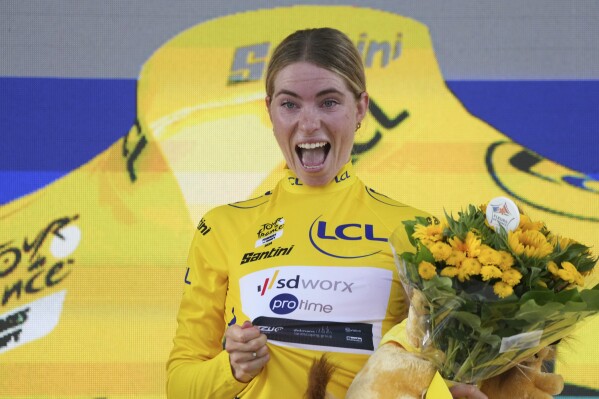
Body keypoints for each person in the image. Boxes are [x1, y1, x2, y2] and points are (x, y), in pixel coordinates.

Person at [166, 27, 488, 399]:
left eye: (328, 102)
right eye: (289, 104)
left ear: (361, 109)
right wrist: (232, 369)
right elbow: (180, 385)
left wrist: (452, 388)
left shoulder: (418, 232)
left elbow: (440, 372)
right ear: (269, 110)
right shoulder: (223, 227)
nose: (308, 123)